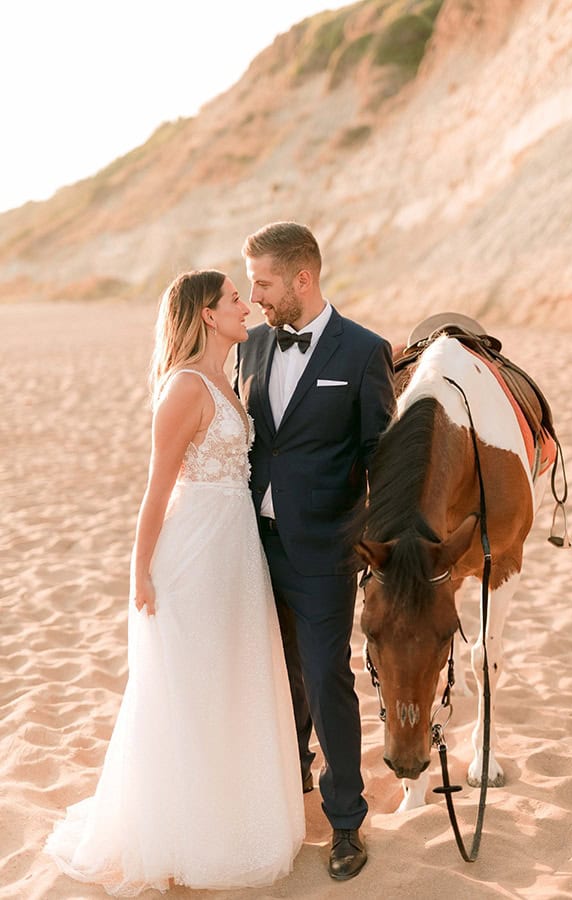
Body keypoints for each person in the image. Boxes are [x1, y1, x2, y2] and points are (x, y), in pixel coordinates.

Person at [45, 270, 305, 895]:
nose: (246, 306)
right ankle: (182, 832)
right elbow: (157, 489)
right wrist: (140, 572)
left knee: (233, 678)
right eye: (235, 299)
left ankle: (231, 817)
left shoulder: (228, 378)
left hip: (235, 550)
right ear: (208, 315)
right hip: (192, 554)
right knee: (191, 686)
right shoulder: (186, 387)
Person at [233, 222, 395, 880]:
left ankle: (347, 822)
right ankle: (286, 782)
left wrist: (381, 548)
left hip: (326, 550)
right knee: (274, 674)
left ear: (303, 278)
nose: (255, 297)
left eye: (263, 283)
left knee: (327, 679)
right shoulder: (252, 345)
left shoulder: (364, 351)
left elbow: (380, 455)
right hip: (251, 547)